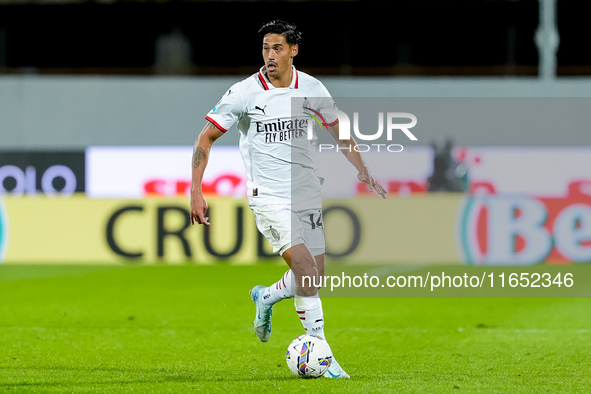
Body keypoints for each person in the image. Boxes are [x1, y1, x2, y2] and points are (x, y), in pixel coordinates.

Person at [190, 20, 386, 379]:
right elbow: (205, 138)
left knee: (313, 278)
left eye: (277, 48)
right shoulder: (244, 92)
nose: (270, 56)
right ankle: (323, 356)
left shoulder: (311, 87)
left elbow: (337, 129)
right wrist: (196, 190)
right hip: (269, 196)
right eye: (265, 48)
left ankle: (265, 297)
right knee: (306, 270)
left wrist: (362, 167)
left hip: (306, 192)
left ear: (293, 50)